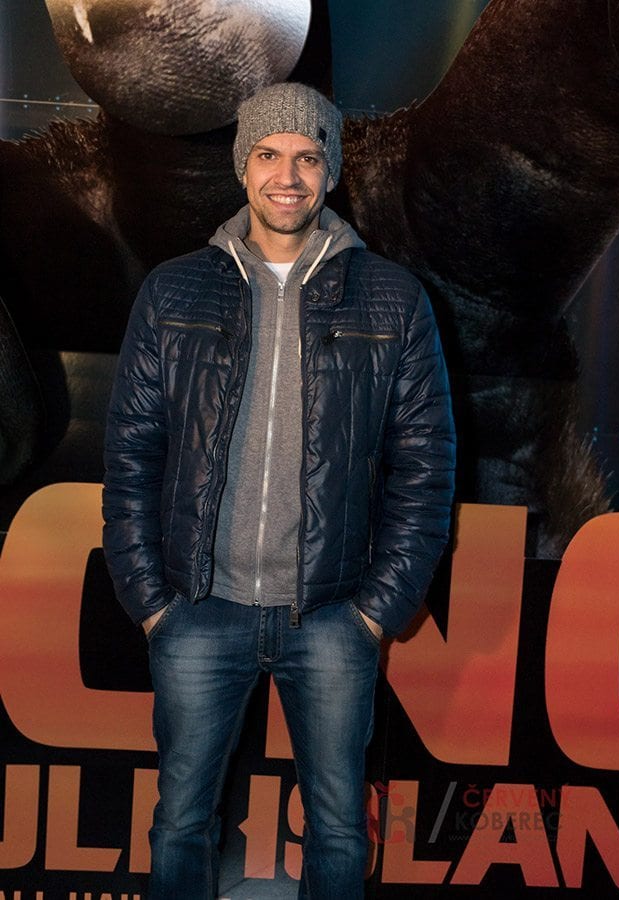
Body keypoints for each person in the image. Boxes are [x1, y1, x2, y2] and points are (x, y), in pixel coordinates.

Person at [102, 81, 456, 900]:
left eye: (306, 156)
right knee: (179, 824)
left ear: (331, 171)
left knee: (337, 830)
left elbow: (426, 465)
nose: (286, 175)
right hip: (196, 610)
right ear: (242, 165)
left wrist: (375, 612)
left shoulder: (393, 299)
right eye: (268, 153)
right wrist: (152, 601)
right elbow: (130, 454)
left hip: (332, 617)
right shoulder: (173, 291)